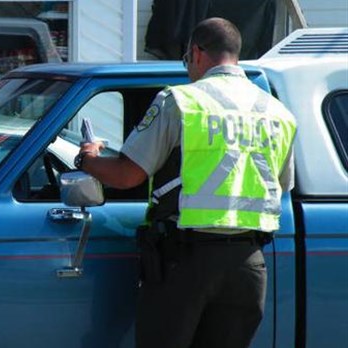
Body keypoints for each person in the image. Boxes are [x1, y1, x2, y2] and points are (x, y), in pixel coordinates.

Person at [74, 17, 297, 348]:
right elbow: (281, 186)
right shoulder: (278, 113)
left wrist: (88, 159)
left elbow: (126, 175)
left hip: (186, 261)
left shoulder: (180, 101)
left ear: (196, 53)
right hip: (248, 265)